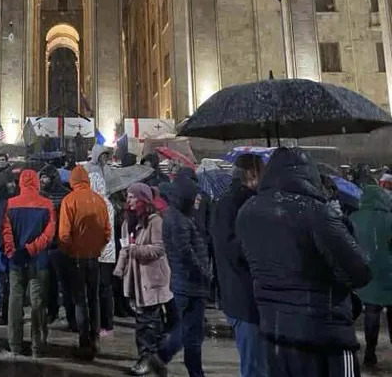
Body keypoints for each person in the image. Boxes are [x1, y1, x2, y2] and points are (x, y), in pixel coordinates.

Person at [237, 148, 371, 377]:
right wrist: (346, 229)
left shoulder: (247, 211)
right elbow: (360, 271)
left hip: (275, 333)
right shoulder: (316, 213)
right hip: (324, 335)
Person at [210, 154, 266, 377]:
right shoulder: (232, 204)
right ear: (252, 174)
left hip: (248, 298)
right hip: (244, 298)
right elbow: (232, 249)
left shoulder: (245, 201)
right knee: (255, 367)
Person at [114, 183, 172, 376]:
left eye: (131, 197)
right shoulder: (127, 222)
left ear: (142, 199)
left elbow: (159, 248)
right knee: (147, 319)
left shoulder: (155, 221)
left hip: (151, 279)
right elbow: (124, 248)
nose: (128, 200)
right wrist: (120, 269)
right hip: (135, 279)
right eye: (127, 197)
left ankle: (148, 358)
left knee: (147, 321)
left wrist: (135, 250)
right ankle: (154, 356)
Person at [158, 173, 210, 377]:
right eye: (195, 196)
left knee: (190, 329)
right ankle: (191, 369)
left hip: (187, 283)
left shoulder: (180, 216)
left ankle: (164, 355)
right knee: (193, 333)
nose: (198, 199)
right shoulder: (178, 220)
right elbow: (186, 253)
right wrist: (204, 274)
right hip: (190, 284)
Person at [58, 166, 111, 360]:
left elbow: (64, 235)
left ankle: (84, 341)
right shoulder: (99, 200)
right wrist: (97, 248)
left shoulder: (69, 201)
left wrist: (70, 252)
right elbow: (107, 232)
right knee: (94, 298)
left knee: (80, 300)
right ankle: (95, 338)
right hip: (94, 257)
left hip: (77, 258)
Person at [2, 169, 56, 357]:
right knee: (37, 303)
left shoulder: (10, 204)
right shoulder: (47, 204)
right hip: (38, 261)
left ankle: (15, 344)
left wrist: (13, 252)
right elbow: (48, 236)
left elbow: (6, 232)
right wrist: (31, 250)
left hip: (16, 261)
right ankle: (37, 345)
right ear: (37, 183)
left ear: (21, 183)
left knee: (15, 300)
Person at [350, 179, 392, 369]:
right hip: (389, 273)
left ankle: (369, 353)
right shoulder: (390, 218)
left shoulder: (353, 218)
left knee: (371, 312)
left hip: (367, 273)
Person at [85, 144, 116, 336]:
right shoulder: (107, 203)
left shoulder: (99, 204)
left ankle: (104, 323)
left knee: (100, 288)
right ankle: (105, 323)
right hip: (106, 250)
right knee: (103, 288)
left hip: (100, 250)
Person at [39, 164, 74, 327]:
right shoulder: (40, 196)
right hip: (46, 245)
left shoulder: (66, 195)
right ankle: (51, 312)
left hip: (62, 245)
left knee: (67, 284)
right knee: (49, 283)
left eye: (44, 177)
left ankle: (71, 316)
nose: (41, 180)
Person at [0, 169, 18, 326]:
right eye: (9, 182)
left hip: (9, 244)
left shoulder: (14, 200)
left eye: (14, 181)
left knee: (6, 281)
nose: (12, 185)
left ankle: (4, 311)